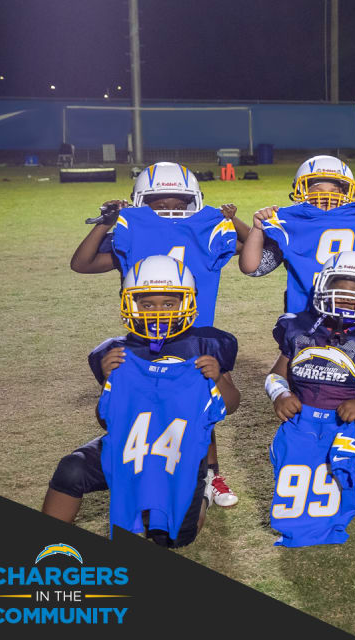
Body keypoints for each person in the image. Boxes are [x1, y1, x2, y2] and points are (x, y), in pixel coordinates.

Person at [69, 161, 247, 507]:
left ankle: (210, 474)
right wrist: (106, 223)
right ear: (139, 202)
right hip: (143, 333)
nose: (169, 209)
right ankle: (139, 467)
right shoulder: (130, 230)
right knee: (140, 405)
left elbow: (249, 246)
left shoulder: (208, 227)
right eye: (159, 203)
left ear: (193, 201)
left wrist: (230, 219)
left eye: (178, 204)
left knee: (202, 406)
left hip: (193, 333)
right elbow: (82, 263)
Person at [43, 255, 241, 548]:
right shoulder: (117, 351)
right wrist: (109, 380)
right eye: (147, 304)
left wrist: (218, 378)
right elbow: (106, 418)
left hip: (178, 451)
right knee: (72, 469)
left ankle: (202, 494)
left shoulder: (206, 345)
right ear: (131, 304)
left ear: (187, 302)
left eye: (168, 303)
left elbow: (231, 405)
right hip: (131, 442)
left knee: (172, 538)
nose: (157, 312)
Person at [266, 251, 355, 560]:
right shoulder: (299, 327)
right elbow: (277, 373)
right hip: (310, 426)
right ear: (322, 287)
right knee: (326, 500)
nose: (347, 296)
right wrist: (279, 393)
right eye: (340, 286)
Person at [239, 155, 355, 313]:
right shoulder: (290, 223)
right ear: (302, 191)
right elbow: (252, 268)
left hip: (351, 311)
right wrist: (258, 228)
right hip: (305, 317)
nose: (326, 196)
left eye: (334, 191)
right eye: (317, 190)